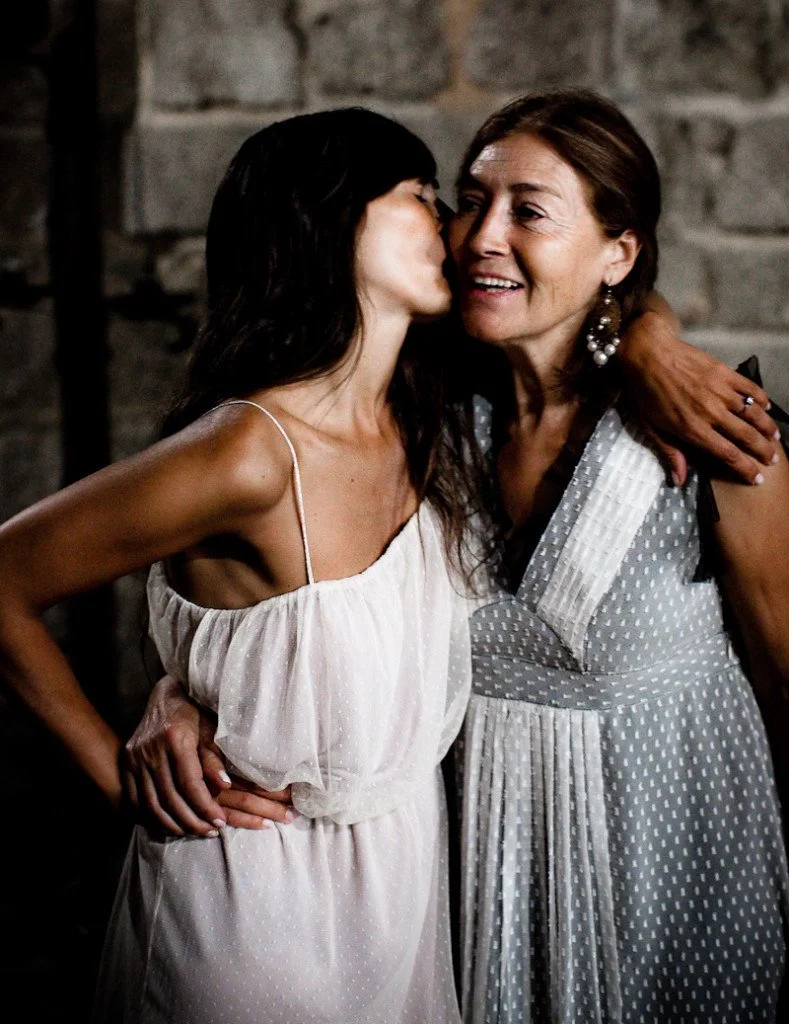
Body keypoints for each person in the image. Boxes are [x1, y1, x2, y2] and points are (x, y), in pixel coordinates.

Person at [131, 93, 789, 1023]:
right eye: (468, 201)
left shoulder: (713, 447)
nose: (480, 235)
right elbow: (286, 599)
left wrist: (644, 338)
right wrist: (180, 693)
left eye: (529, 210)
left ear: (620, 252)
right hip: (465, 901)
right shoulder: (422, 418)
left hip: (675, 897)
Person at [0, 108, 480, 1024]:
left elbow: (589, 307)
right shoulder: (249, 453)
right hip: (255, 904)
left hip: (403, 893)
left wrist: (650, 340)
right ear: (329, 220)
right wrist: (121, 782)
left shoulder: (429, 421)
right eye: (420, 197)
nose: (450, 224)